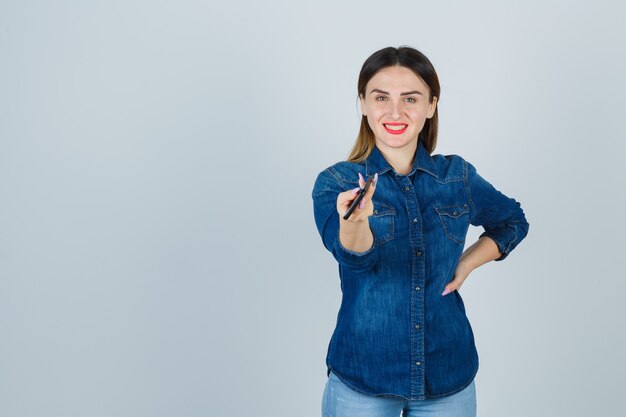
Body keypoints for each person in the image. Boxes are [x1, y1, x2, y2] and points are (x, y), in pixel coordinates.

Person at [311, 46, 529, 417]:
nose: (395, 112)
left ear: (430, 105)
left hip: (447, 374)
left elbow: (513, 221)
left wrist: (467, 263)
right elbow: (353, 256)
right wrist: (356, 220)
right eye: (381, 97)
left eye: (410, 98)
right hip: (363, 376)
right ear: (363, 103)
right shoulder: (337, 182)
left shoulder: (457, 176)